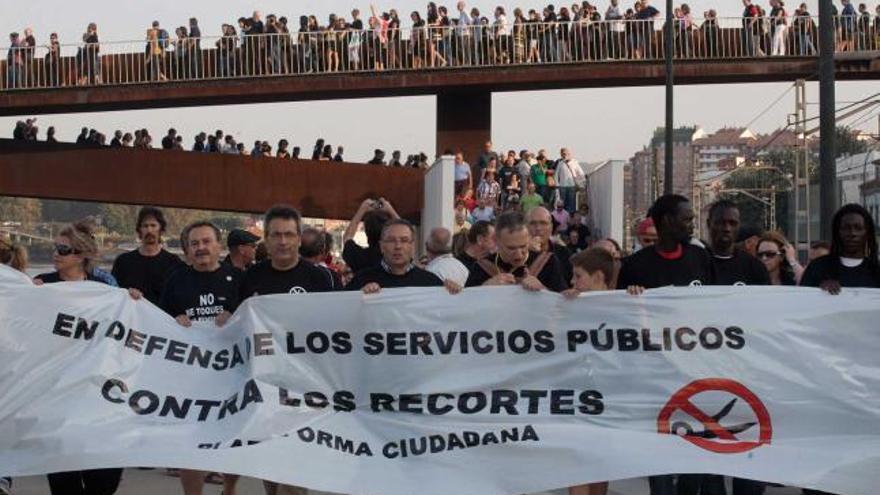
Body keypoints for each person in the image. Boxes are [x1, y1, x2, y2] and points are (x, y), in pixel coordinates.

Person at [616, 195, 714, 495]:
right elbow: (621, 321)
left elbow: (717, 310)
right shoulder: (635, 265)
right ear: (668, 222)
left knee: (694, 455)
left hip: (696, 371)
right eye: (686, 218)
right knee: (659, 455)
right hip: (653, 375)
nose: (692, 223)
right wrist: (631, 299)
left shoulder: (701, 259)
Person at [35, 221, 124, 495]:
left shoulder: (105, 288)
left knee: (104, 478)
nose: (56, 254)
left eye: (64, 249)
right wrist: (26, 295)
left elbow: (121, 327)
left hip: (94, 392)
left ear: (82, 255)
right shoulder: (41, 285)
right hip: (55, 394)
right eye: (55, 247)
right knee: (63, 478)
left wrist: (132, 301)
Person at [159, 221, 242, 495]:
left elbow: (254, 317)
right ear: (186, 251)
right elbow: (158, 320)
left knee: (233, 440)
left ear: (219, 246)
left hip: (231, 376)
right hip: (190, 377)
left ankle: (229, 489)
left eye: (206, 242)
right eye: (194, 244)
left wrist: (234, 314)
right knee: (188, 444)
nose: (201, 248)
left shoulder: (238, 278)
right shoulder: (175, 280)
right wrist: (174, 319)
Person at [466, 211, 567, 292]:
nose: (519, 255)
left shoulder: (548, 262)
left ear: (529, 237)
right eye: (511, 248)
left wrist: (543, 290)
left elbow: (562, 304)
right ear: (496, 240)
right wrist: (484, 288)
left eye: (523, 246)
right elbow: (466, 306)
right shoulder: (481, 267)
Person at [347, 219, 454, 292]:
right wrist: (358, 298)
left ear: (412, 245)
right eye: (391, 240)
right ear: (381, 246)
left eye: (404, 240)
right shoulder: (362, 280)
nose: (398, 246)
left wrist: (454, 292)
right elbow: (343, 311)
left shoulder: (430, 282)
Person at [111, 206, 184, 306]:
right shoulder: (123, 262)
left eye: (153, 226)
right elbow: (113, 292)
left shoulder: (174, 263)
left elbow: (181, 297)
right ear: (139, 231)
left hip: (163, 320)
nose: (149, 230)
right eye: (145, 226)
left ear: (161, 230)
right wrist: (126, 292)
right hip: (132, 319)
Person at [800, 203, 880, 292]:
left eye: (858, 228)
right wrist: (819, 290)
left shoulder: (876, 271)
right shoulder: (817, 268)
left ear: (867, 233)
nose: (852, 233)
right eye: (846, 228)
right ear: (837, 232)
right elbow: (802, 300)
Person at [705, 200, 770, 286]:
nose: (727, 228)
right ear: (709, 224)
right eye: (721, 223)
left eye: (733, 223)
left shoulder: (755, 268)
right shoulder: (695, 263)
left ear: (739, 225)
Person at [342, 198, 399, 272]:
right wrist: (391, 210)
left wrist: (361, 210)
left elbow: (347, 237)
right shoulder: (397, 256)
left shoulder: (359, 256)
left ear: (366, 232)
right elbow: (408, 234)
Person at [528, 206, 573, 288]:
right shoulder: (517, 255)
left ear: (551, 227)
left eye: (543, 223)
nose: (538, 228)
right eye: (533, 223)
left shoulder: (564, 253)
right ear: (526, 227)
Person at [553, 148, 585, 213]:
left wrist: (582, 183)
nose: (564, 155)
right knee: (562, 204)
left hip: (572, 186)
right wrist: (557, 185)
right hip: (562, 187)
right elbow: (556, 175)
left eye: (565, 153)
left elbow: (581, 173)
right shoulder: (560, 163)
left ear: (568, 154)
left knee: (572, 204)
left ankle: (570, 219)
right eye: (562, 154)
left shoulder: (574, 162)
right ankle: (563, 218)